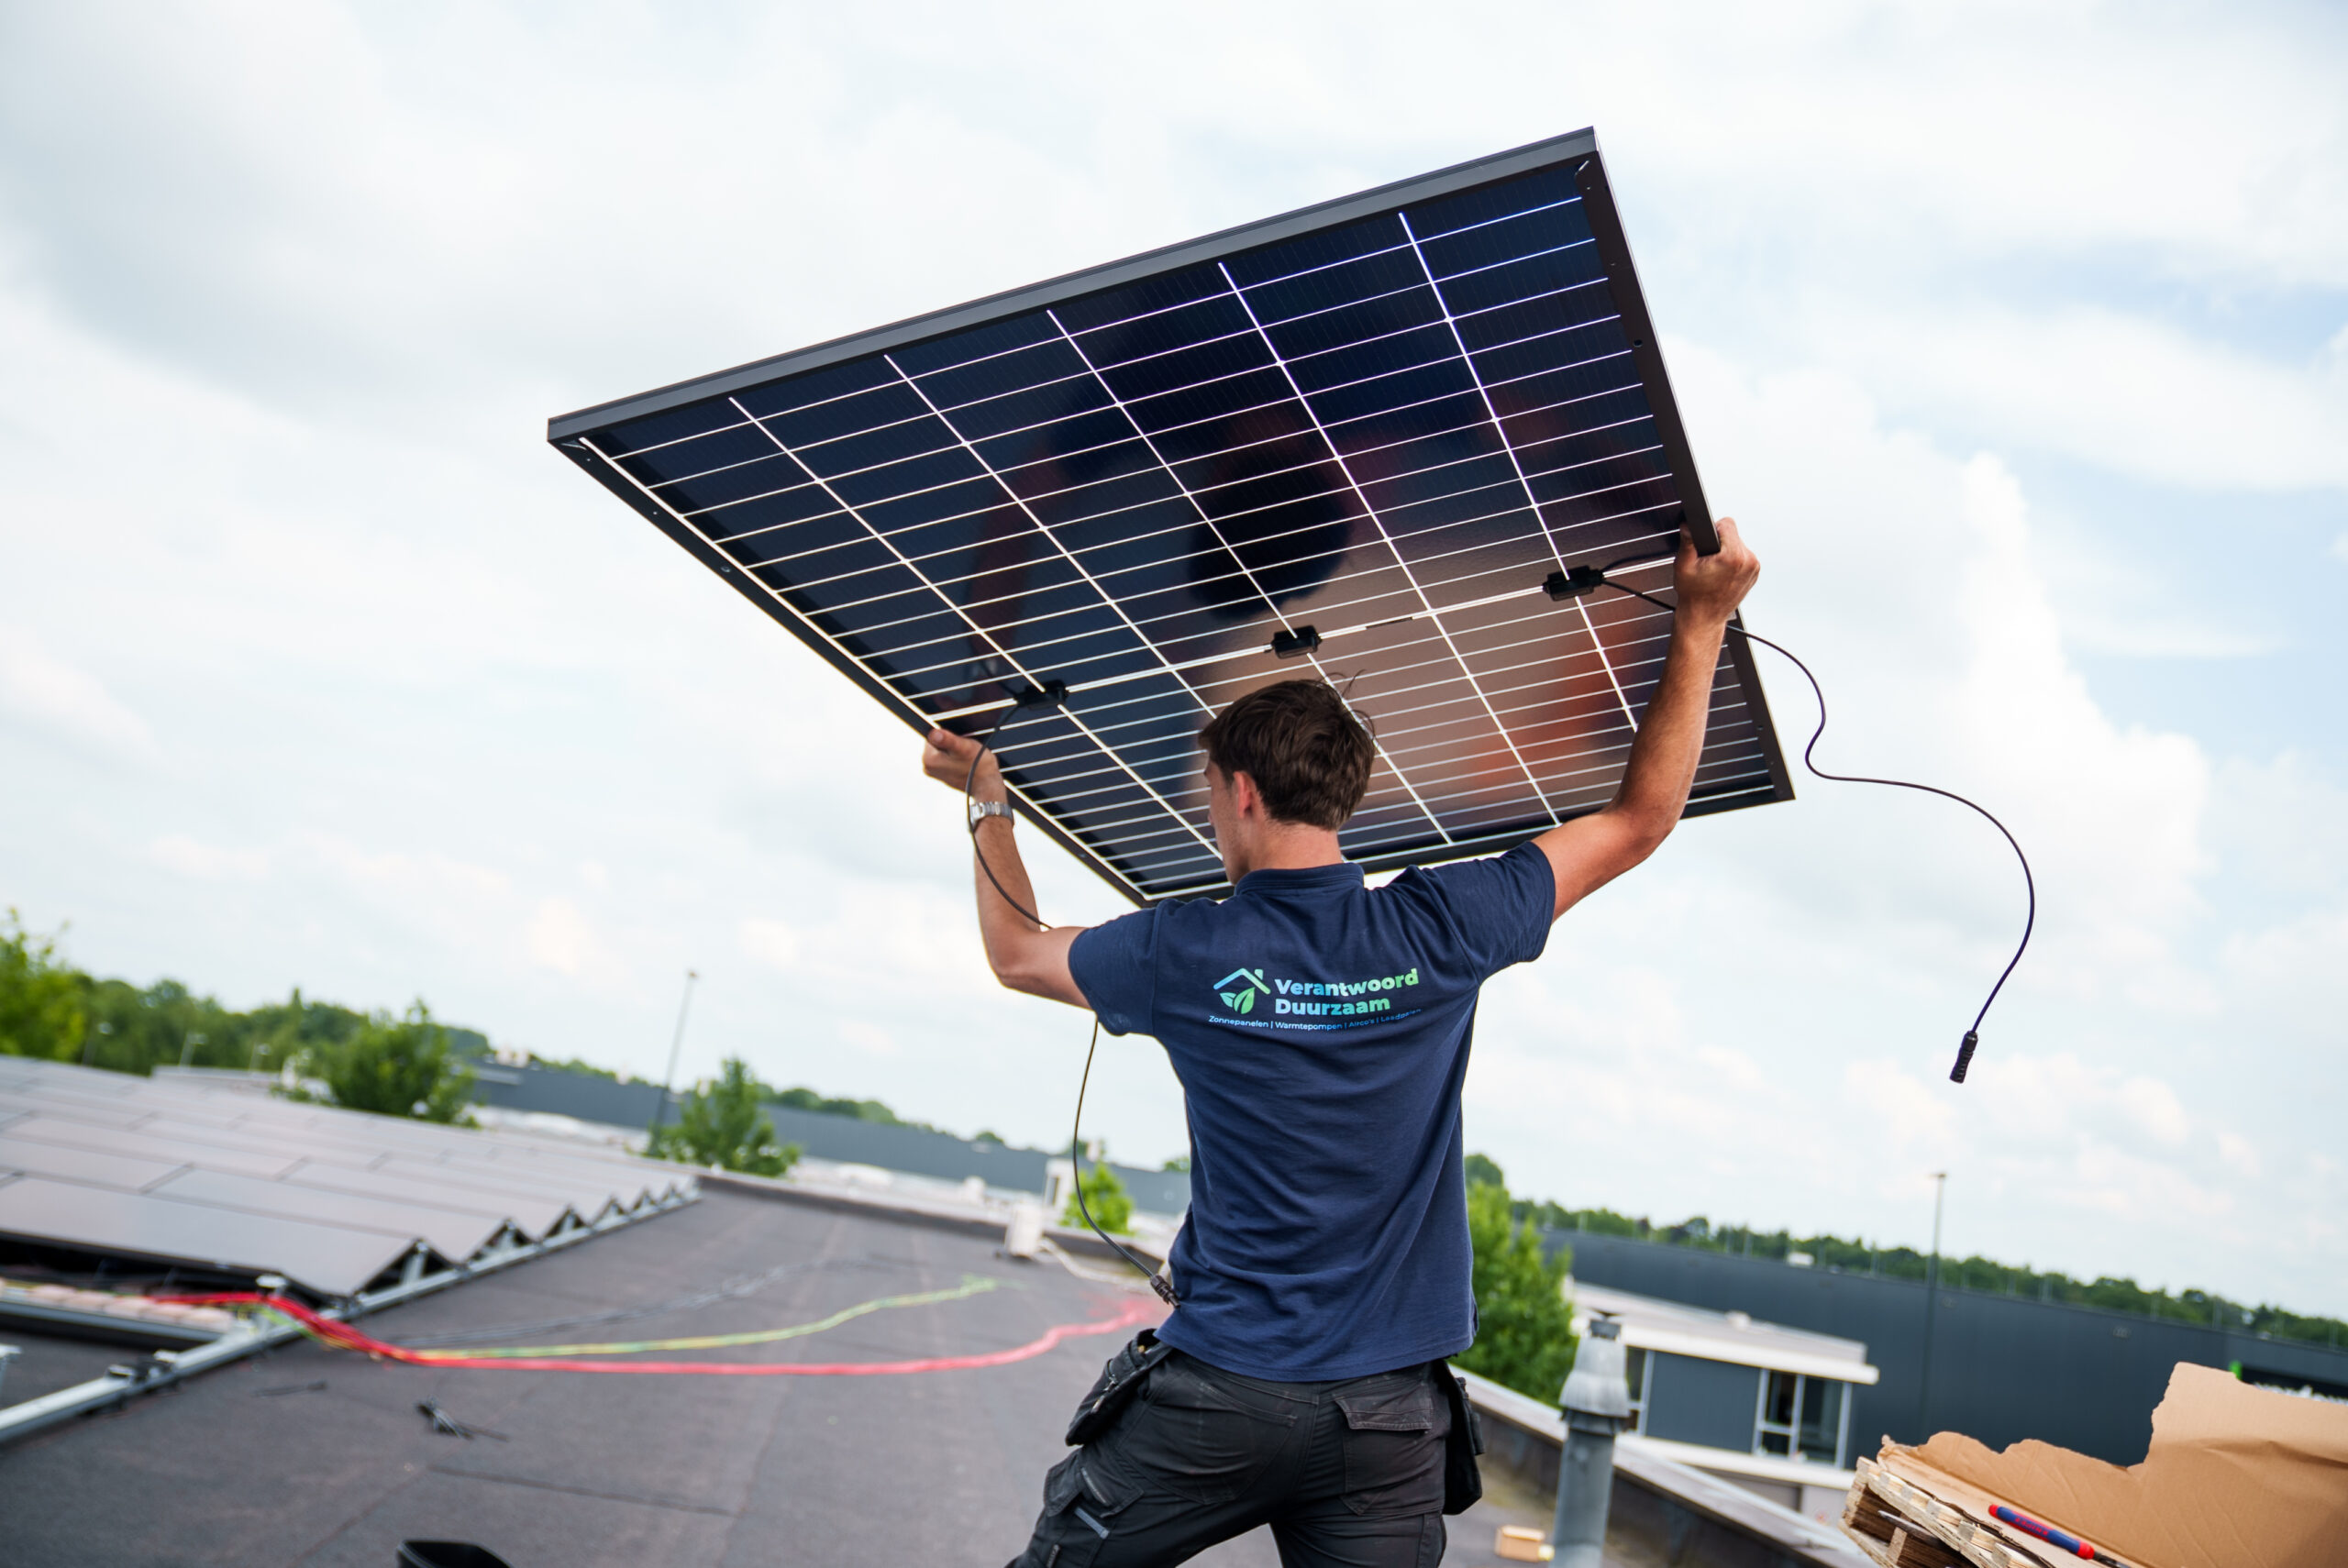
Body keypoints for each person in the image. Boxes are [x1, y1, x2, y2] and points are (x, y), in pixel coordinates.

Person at [923, 521, 1762, 1568]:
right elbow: (1641, 819)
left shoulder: (1183, 949)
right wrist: (1700, 619)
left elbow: (1016, 951)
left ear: (1241, 791)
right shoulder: (1443, 924)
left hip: (1218, 1399)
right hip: (1386, 1423)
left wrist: (988, 799)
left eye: (1211, 795)